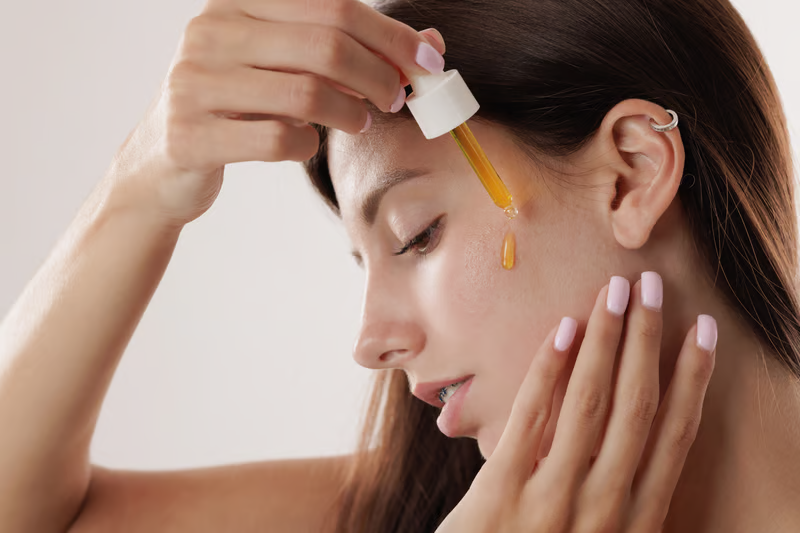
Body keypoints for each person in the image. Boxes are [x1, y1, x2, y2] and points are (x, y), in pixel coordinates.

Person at [0, 0, 797, 531]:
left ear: (631, 173)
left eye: (418, 235)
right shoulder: (429, 514)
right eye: (363, 262)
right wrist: (142, 184)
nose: (370, 342)